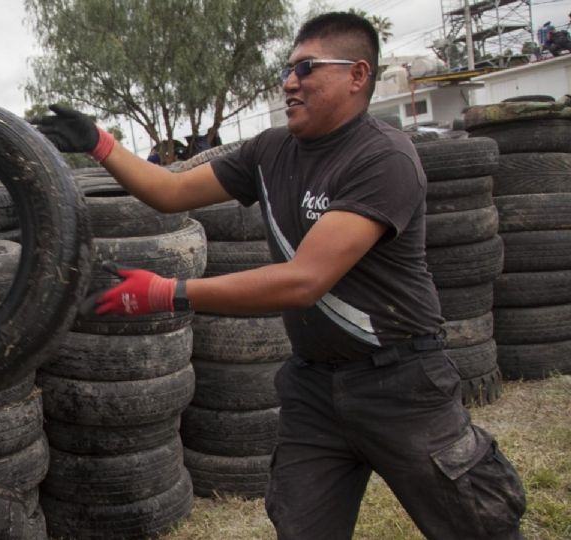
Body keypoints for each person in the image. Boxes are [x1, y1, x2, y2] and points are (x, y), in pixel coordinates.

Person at [31, 11, 526, 540]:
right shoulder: (270, 151)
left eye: (307, 68)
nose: (290, 81)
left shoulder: (383, 159)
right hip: (313, 386)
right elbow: (169, 193)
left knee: (477, 526)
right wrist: (98, 142)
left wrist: (161, 293)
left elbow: (303, 280)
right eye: (287, 69)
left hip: (401, 383)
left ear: (357, 75)